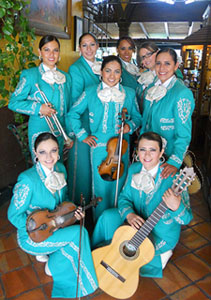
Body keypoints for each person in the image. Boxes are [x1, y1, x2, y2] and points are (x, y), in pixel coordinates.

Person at [7, 132, 98, 298]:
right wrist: (37, 229)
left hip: (54, 227)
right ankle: (79, 284)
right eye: (42, 152)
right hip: (32, 236)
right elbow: (13, 215)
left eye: (53, 151)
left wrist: (73, 214)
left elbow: (65, 202)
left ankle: (53, 266)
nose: (49, 157)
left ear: (58, 151)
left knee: (79, 230)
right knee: (79, 234)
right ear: (35, 153)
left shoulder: (61, 169)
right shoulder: (27, 180)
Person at [91, 131, 193, 278]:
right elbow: (123, 198)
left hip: (159, 232)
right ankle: (96, 252)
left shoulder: (174, 177)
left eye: (153, 150)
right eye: (142, 149)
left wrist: (177, 207)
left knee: (133, 261)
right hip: (135, 222)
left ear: (161, 152)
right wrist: (130, 214)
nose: (147, 155)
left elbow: (186, 219)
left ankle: (162, 255)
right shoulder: (134, 169)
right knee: (107, 216)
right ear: (137, 151)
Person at [68, 55, 142, 221]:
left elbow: (138, 117)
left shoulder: (129, 94)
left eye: (116, 71)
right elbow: (73, 113)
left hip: (122, 147)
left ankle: (120, 223)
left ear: (121, 73)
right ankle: (100, 225)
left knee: (120, 186)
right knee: (100, 188)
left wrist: (129, 126)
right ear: (101, 72)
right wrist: (82, 135)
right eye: (108, 70)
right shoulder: (90, 92)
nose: (112, 75)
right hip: (99, 149)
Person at [8, 35, 73, 160]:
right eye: (46, 49)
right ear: (40, 52)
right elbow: (13, 103)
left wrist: (69, 134)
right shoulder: (30, 75)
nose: (51, 54)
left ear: (59, 52)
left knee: (56, 167)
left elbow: (68, 108)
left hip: (60, 132)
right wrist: (39, 108)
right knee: (43, 168)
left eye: (55, 50)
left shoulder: (66, 77)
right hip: (40, 130)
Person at [140, 48, 195, 179]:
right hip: (147, 155)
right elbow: (145, 122)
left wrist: (174, 162)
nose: (161, 68)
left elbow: (184, 134)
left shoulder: (182, 93)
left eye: (167, 63)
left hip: (167, 157)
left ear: (176, 66)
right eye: (158, 63)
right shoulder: (151, 87)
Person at [67, 33, 101, 205]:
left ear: (97, 46)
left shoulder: (101, 66)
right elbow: (75, 100)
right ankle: (78, 207)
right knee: (81, 169)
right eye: (84, 45)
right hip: (83, 123)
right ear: (79, 48)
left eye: (92, 44)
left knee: (94, 165)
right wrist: (79, 130)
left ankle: (92, 204)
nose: (89, 49)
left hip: (98, 124)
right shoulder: (76, 68)